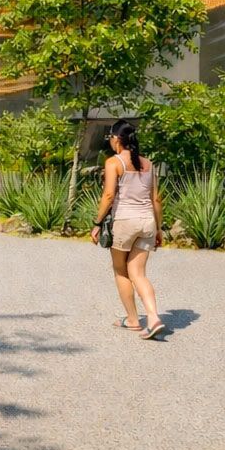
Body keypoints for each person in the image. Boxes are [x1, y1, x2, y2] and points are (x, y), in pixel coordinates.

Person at [90, 119, 166, 340]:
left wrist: (96, 223)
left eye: (110, 138)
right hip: (147, 223)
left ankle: (133, 319)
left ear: (116, 139)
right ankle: (152, 317)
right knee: (139, 273)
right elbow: (157, 199)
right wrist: (159, 229)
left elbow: (108, 196)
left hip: (125, 222)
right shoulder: (148, 164)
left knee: (121, 270)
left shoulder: (114, 163)